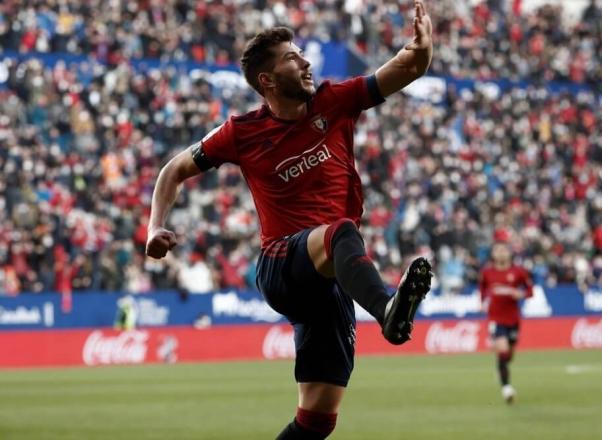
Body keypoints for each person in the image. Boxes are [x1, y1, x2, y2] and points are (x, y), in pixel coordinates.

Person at [145, 2, 434, 438]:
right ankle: (388, 308)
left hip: (330, 281)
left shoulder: (335, 102)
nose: (306, 61)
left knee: (316, 421)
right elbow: (173, 170)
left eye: (302, 54)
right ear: (267, 80)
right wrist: (154, 226)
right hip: (282, 265)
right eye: (292, 57)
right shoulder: (240, 132)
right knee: (341, 231)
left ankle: (387, 310)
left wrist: (423, 46)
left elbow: (408, 67)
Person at [479, 242, 533, 404]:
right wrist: (482, 301)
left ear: (509, 253)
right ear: (493, 254)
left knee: (509, 354)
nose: (501, 253)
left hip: (513, 319)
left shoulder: (518, 272)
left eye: (504, 250)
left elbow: (530, 291)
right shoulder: (487, 272)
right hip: (496, 318)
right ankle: (506, 388)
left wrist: (521, 294)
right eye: (498, 250)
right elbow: (482, 288)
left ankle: (502, 368)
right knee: (502, 349)